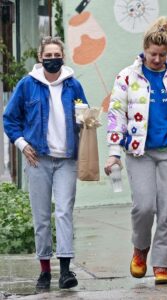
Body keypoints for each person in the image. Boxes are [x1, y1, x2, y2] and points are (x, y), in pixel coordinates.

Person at [104, 16, 167, 285]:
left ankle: (161, 264)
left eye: (162, 54)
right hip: (140, 152)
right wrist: (114, 151)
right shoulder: (127, 76)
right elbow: (116, 115)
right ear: (144, 49)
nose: (157, 59)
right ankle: (140, 249)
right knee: (144, 207)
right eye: (152, 54)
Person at [3, 36, 89, 290]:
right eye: (48, 56)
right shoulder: (27, 85)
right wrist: (21, 143)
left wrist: (87, 121)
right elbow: (10, 118)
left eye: (56, 55)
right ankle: (44, 271)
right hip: (37, 158)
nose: (53, 59)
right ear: (40, 58)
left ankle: (64, 271)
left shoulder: (73, 85)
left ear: (63, 56)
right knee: (41, 217)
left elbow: (83, 115)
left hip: (66, 160)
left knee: (63, 212)